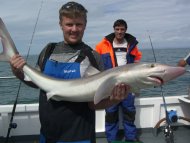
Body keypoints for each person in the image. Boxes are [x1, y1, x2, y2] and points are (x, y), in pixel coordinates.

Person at [9, 2, 130, 143]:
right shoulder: (48, 50)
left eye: (79, 24)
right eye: (69, 24)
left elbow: (93, 104)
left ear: (85, 25)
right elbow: (36, 83)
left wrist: (114, 100)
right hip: (47, 135)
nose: (74, 29)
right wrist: (18, 72)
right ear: (60, 24)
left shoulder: (93, 56)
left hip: (80, 136)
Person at [95, 19, 142, 142]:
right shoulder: (102, 45)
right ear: (114, 29)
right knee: (111, 113)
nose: (119, 32)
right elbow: (95, 63)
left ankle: (130, 138)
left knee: (129, 112)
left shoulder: (132, 45)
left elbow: (137, 63)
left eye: (122, 29)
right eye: (117, 29)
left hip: (128, 85)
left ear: (125, 30)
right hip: (110, 86)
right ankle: (112, 139)